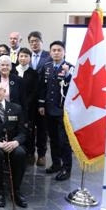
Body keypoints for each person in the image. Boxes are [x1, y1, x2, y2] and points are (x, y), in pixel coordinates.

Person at [38, 40, 73, 181]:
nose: (56, 52)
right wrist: (41, 104)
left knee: (63, 140)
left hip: (63, 110)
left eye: (59, 50)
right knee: (52, 139)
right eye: (54, 50)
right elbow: (42, 87)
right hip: (49, 109)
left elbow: (74, 89)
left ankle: (67, 168)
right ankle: (56, 164)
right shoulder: (46, 66)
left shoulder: (70, 68)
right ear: (50, 52)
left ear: (64, 52)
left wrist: (67, 75)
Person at [27, 31, 51, 167]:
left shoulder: (49, 56)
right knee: (29, 128)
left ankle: (42, 155)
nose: (34, 43)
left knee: (42, 129)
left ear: (41, 42)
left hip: (43, 99)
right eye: (31, 41)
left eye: (36, 41)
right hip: (29, 101)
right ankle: (30, 153)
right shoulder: (25, 56)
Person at [16, 47, 40, 165]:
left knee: (28, 130)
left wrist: (25, 104)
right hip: (14, 107)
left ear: (30, 58)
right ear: (18, 57)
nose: (23, 58)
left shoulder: (34, 73)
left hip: (29, 108)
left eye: (26, 56)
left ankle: (30, 153)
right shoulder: (13, 71)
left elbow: (35, 91)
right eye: (21, 56)